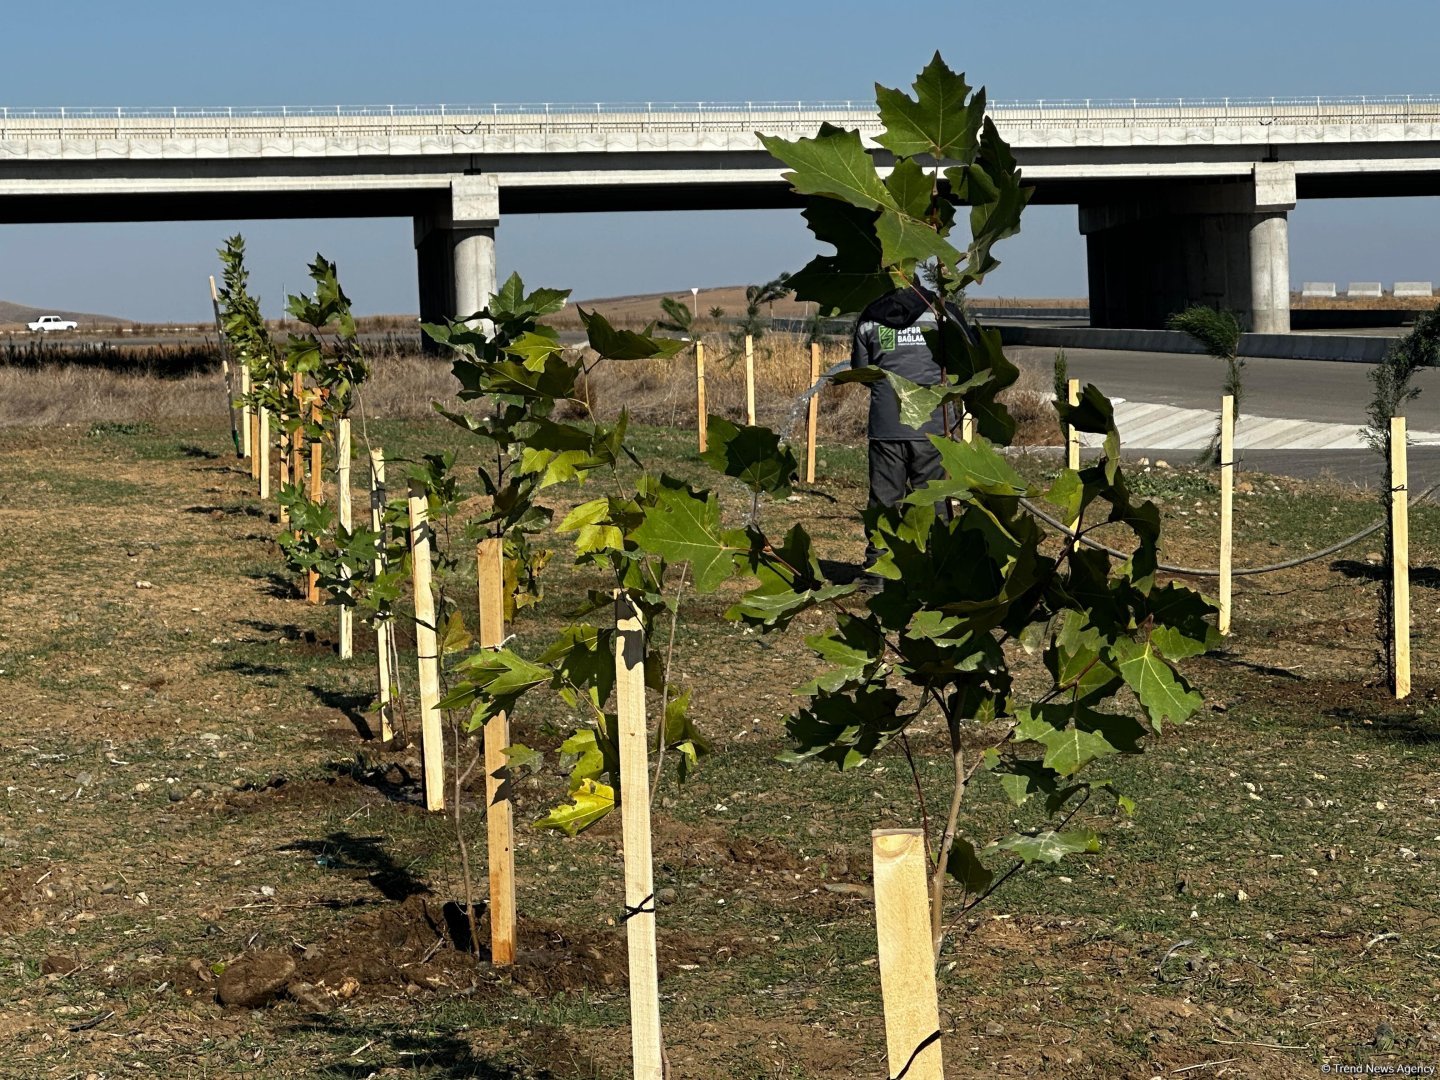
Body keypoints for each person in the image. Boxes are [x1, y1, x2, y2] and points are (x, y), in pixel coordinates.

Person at [851, 283, 960, 580]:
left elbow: (862, 371)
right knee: (934, 499)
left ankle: (878, 569)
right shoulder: (941, 311)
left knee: (884, 500)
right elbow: (967, 361)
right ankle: (936, 570)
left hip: (887, 423)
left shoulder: (871, 316)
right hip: (934, 422)